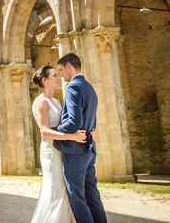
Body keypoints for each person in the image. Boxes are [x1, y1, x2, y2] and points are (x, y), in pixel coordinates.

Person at [28, 65, 87, 223]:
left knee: (65, 188)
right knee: (56, 189)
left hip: (62, 149)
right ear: (45, 80)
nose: (58, 78)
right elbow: (45, 132)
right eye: (54, 75)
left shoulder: (55, 100)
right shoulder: (41, 102)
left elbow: (64, 123)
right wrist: (73, 136)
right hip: (50, 151)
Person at [52, 53, 107, 223]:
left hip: (75, 151)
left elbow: (73, 122)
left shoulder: (72, 87)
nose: (61, 75)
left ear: (69, 66)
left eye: (61, 70)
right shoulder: (89, 87)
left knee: (77, 197)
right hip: (89, 149)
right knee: (92, 195)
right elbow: (92, 120)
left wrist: (54, 131)